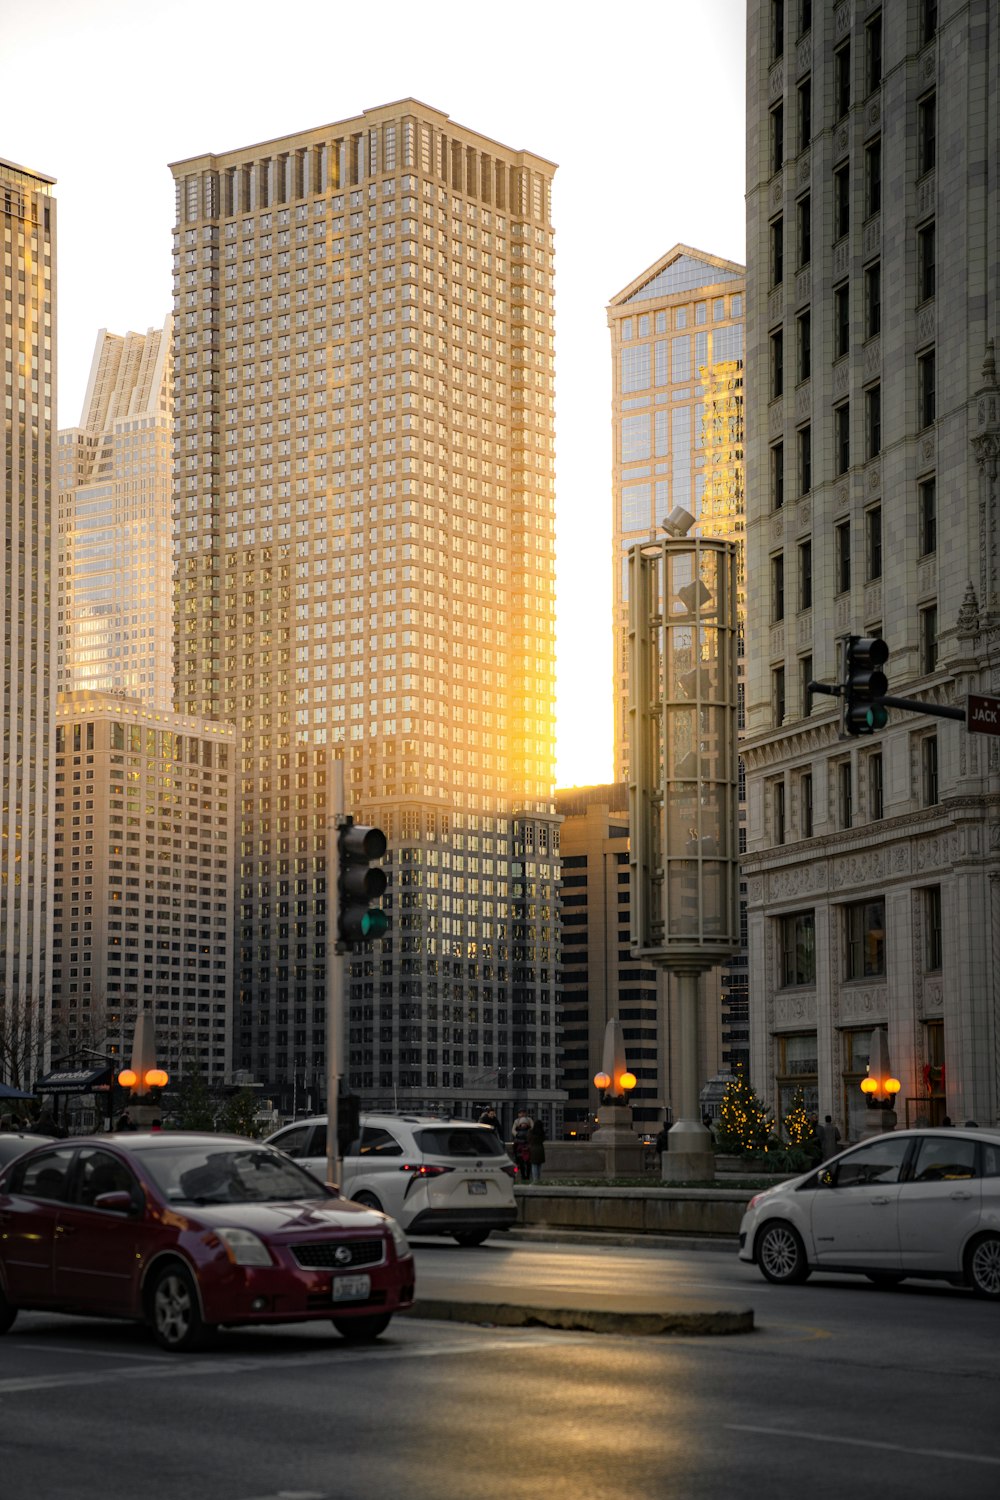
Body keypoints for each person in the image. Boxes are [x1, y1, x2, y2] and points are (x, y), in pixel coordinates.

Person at [512, 1108, 533, 1181]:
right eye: (520, 1113)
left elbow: (532, 1129)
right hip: (520, 1149)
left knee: (527, 1163)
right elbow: (513, 1131)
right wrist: (517, 1135)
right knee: (520, 1163)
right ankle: (522, 1175)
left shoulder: (529, 1120)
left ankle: (525, 1176)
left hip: (525, 1148)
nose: (522, 1114)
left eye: (523, 1113)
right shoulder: (516, 1121)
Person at [528, 1117, 545, 1183]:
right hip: (540, 1149)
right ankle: (538, 1178)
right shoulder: (542, 1132)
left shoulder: (531, 1132)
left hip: (533, 1149)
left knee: (534, 1165)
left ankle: (535, 1179)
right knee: (539, 1165)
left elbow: (528, 1139)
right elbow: (543, 1139)